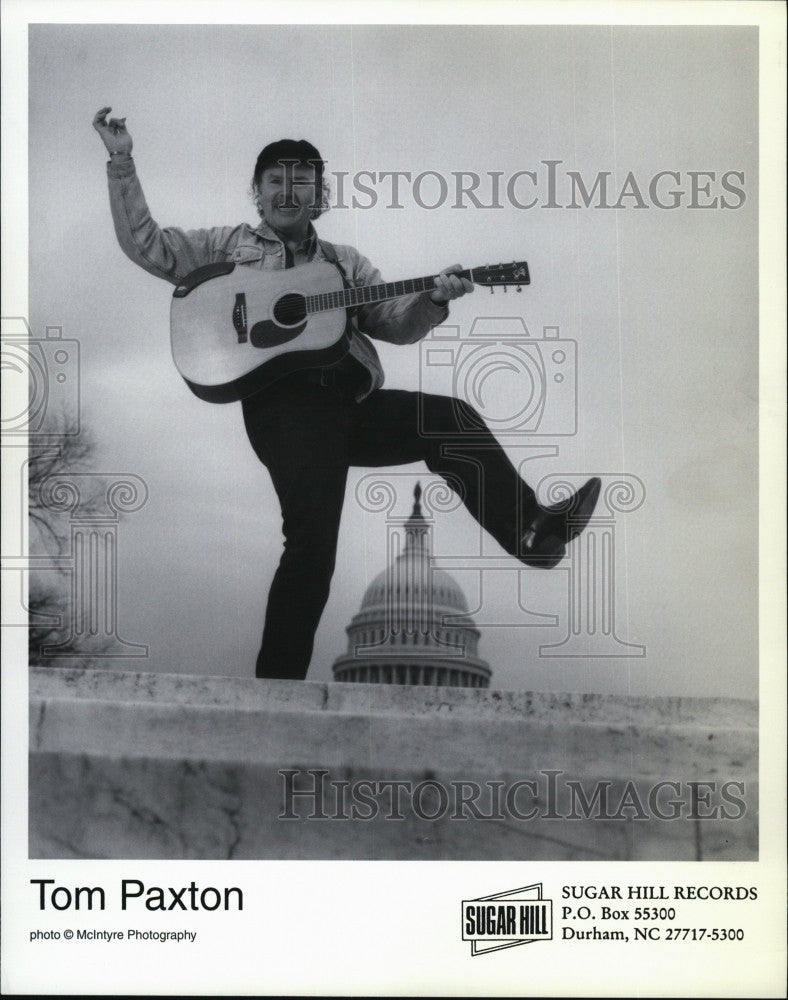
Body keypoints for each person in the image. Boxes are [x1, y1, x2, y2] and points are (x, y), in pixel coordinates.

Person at [93, 107, 601, 681]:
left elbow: (394, 324)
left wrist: (435, 299)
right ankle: (277, 694)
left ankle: (533, 532)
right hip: (285, 409)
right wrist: (121, 161)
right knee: (313, 544)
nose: (288, 192)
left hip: (350, 405)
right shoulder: (225, 247)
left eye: (302, 183)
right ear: (256, 194)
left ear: (321, 197)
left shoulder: (344, 265)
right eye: (276, 182)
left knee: (450, 419)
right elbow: (147, 246)